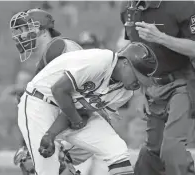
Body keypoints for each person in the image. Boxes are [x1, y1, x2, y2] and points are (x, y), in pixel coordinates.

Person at [17, 41, 160, 175]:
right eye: (137, 76)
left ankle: (62, 157)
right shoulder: (101, 60)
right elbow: (59, 90)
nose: (139, 83)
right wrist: (71, 123)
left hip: (69, 109)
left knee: (115, 147)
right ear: (125, 63)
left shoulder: (125, 93)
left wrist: (52, 133)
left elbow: (82, 110)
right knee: (48, 169)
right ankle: (47, 157)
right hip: (40, 101)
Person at [10, 8, 94, 174]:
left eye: (26, 29)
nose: (22, 36)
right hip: (77, 119)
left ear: (41, 29)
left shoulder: (58, 47)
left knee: (34, 159)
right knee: (32, 158)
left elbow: (74, 96)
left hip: (86, 119)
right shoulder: (48, 57)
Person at [120, 1, 195, 175]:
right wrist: (140, 94)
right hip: (152, 86)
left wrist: (160, 37)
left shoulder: (183, 5)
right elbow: (135, 52)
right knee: (152, 151)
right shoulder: (126, 7)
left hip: (183, 82)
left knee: (171, 149)